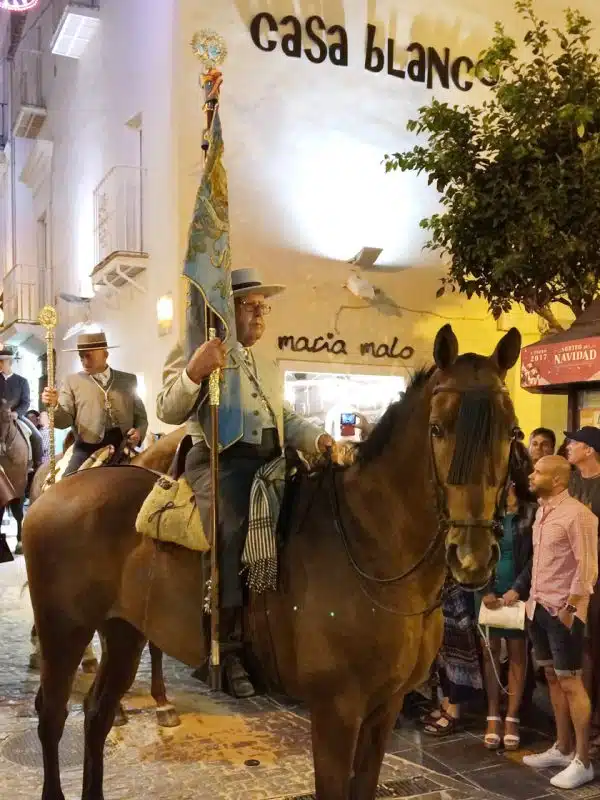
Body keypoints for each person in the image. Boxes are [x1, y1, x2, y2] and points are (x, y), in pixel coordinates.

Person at [156, 268, 335, 698]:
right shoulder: (197, 349)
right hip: (220, 461)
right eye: (251, 306)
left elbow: (285, 419)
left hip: (270, 462)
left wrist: (322, 438)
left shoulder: (266, 364)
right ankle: (226, 646)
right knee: (231, 528)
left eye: (263, 306)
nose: (260, 315)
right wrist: (194, 373)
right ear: (226, 310)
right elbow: (165, 408)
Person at [521, 455, 598, 790]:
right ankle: (563, 747)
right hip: (537, 607)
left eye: (537, 471)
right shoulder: (542, 511)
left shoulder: (579, 515)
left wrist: (570, 607)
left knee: (571, 682)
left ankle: (583, 761)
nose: (530, 475)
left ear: (556, 479)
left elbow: (588, 568)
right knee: (552, 677)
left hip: (561, 612)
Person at [477, 442, 536, 751]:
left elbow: (536, 556)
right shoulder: (487, 511)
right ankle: (491, 714)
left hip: (519, 592)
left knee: (517, 654)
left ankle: (511, 717)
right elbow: (477, 551)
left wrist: (518, 589)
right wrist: (485, 588)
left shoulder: (531, 511)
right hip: (488, 591)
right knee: (489, 655)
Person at [41, 331, 148, 476]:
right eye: (81, 356)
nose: (84, 361)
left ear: (105, 354)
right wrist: (54, 406)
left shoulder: (128, 380)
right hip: (86, 450)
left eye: (88, 356)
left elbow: (141, 417)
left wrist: (138, 433)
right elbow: (63, 422)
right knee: (66, 486)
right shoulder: (72, 382)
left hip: (123, 447)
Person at [565, 426, 600, 750]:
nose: (569, 446)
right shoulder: (572, 483)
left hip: (596, 579)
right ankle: (584, 725)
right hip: (573, 580)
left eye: (574, 442)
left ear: (589, 449)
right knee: (582, 648)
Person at [0, 348, 43, 470]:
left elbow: (25, 402)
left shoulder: (21, 381)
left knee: (37, 437)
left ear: (9, 362)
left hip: (16, 416)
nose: (0, 364)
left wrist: (16, 413)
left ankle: (36, 466)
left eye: (2, 361)